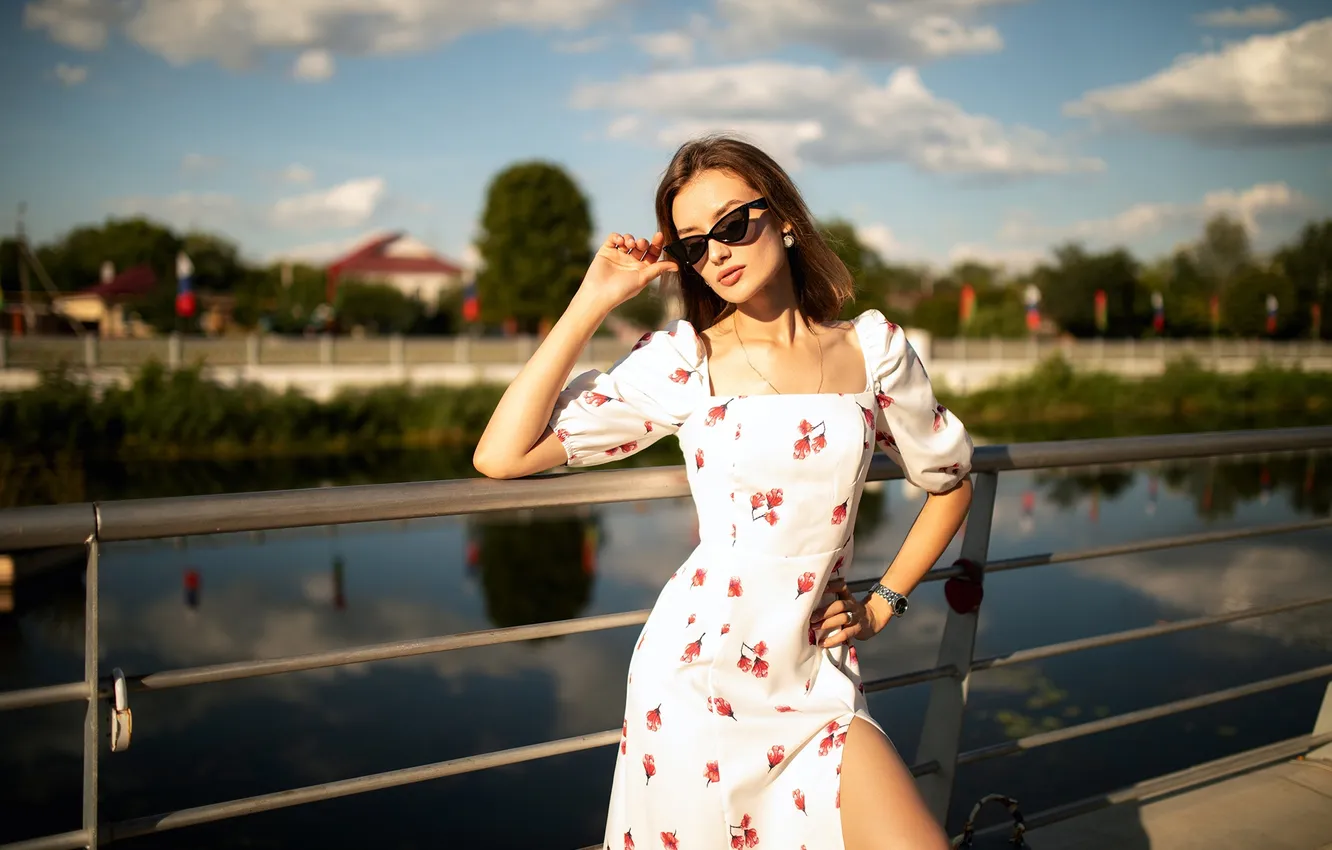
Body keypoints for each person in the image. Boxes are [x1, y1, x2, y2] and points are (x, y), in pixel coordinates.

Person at [474, 135, 973, 850]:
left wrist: (881, 604)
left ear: (785, 218)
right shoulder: (686, 360)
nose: (718, 252)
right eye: (694, 244)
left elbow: (949, 481)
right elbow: (501, 455)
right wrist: (594, 298)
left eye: (733, 224)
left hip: (816, 677)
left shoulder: (873, 349)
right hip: (695, 680)